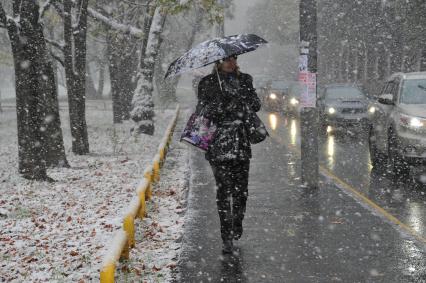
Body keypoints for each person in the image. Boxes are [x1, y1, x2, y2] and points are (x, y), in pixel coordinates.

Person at [197, 55, 261, 254]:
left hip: (240, 143)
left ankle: (237, 223)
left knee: (241, 191)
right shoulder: (207, 83)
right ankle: (226, 236)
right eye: (226, 60)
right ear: (218, 63)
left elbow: (256, 105)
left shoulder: (245, 80)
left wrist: (242, 99)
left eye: (233, 59)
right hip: (218, 144)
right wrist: (221, 104)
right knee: (223, 192)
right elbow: (202, 111)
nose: (231, 63)